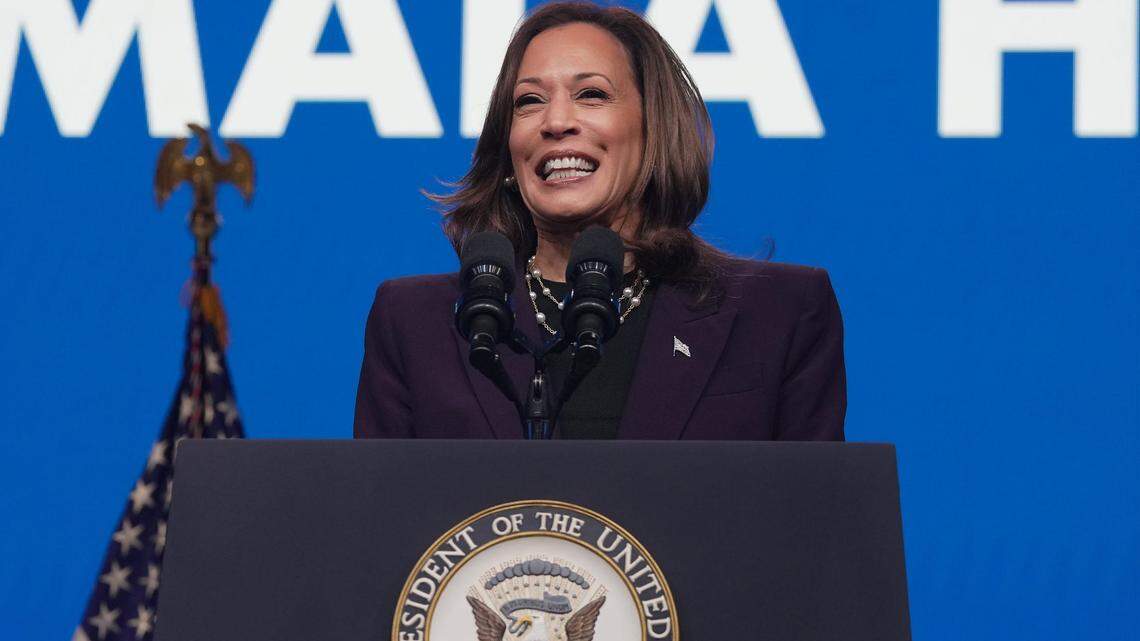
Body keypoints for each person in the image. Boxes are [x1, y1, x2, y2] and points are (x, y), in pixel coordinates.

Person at [354, 2, 844, 441]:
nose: (555, 122)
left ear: (653, 129)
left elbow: (812, 510)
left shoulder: (778, 313)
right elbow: (379, 510)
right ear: (507, 148)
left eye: (591, 94)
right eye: (529, 101)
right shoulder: (416, 324)